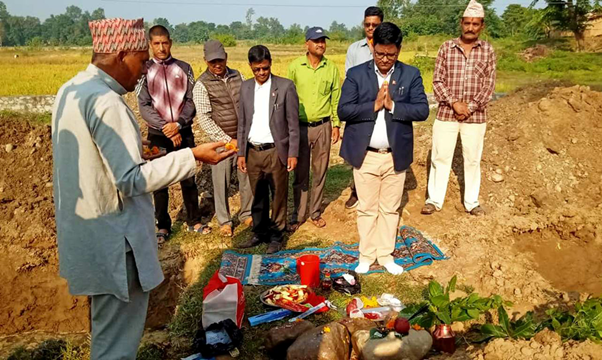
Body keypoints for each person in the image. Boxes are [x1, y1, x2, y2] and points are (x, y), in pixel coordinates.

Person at [51, 18, 233, 359]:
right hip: (118, 244)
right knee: (116, 346)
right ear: (121, 55)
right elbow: (131, 179)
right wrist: (191, 155)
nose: (143, 69)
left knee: (106, 333)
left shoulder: (71, 90)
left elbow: (97, 162)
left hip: (91, 235)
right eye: (140, 59)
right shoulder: (106, 102)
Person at [338, 22, 429, 275]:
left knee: (390, 208)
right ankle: (367, 255)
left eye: (390, 54)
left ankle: (385, 255)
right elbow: (343, 110)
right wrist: (374, 105)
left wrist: (393, 105)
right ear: (373, 48)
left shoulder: (410, 75)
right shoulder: (357, 74)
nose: (385, 59)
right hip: (365, 155)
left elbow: (422, 110)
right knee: (367, 208)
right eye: (379, 54)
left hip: (394, 155)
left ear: (398, 50)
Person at [421, 0, 496, 217]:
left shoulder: (488, 50)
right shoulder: (446, 47)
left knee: (472, 159)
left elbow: (489, 86)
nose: (470, 27)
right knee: (440, 157)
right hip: (446, 113)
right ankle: (434, 200)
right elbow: (437, 81)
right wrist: (454, 103)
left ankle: (472, 202)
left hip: (475, 117)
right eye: (467, 23)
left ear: (481, 25)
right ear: (461, 23)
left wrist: (469, 107)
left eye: (475, 24)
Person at [137, 25, 209, 243]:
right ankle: (163, 226)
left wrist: (177, 124)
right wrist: (166, 127)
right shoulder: (144, 70)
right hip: (156, 135)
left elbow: (190, 101)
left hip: (183, 132)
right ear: (150, 44)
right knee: (158, 183)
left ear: (170, 42)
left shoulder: (184, 68)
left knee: (188, 177)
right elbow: (144, 105)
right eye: (156, 44)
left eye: (165, 43)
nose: (161, 47)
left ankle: (193, 220)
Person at [236, 45, 300, 254]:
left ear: (270, 64)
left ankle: (276, 234)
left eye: (264, 68)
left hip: (275, 151)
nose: (261, 73)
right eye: (257, 69)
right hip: (253, 151)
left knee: (279, 194)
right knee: (258, 194)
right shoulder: (245, 88)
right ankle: (260, 231)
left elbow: (293, 123)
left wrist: (292, 153)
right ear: (250, 67)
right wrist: (241, 153)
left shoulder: (285, 87)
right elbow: (242, 123)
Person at [194, 39, 253, 237]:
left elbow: (248, 103)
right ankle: (224, 220)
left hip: (243, 137)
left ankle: (246, 213)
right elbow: (204, 118)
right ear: (205, 61)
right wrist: (227, 140)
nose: (217, 65)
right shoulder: (202, 84)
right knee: (221, 182)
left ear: (226, 57)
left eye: (220, 60)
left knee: (246, 176)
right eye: (212, 62)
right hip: (221, 142)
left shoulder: (238, 75)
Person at [287, 26, 341, 231]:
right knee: (300, 173)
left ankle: (315, 212)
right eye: (316, 40)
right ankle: (298, 214)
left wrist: (336, 124)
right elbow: (288, 97)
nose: (321, 44)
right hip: (299, 127)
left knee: (320, 171)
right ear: (307, 44)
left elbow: (335, 98)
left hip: (323, 127)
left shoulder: (331, 68)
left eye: (323, 41)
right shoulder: (295, 67)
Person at [343, 6, 384, 209]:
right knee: (358, 149)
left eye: (375, 25)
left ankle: (378, 192)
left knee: (378, 148)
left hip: (382, 106)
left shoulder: (387, 46)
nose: (370, 28)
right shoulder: (354, 49)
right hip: (360, 106)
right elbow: (349, 79)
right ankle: (356, 191)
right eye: (367, 24)